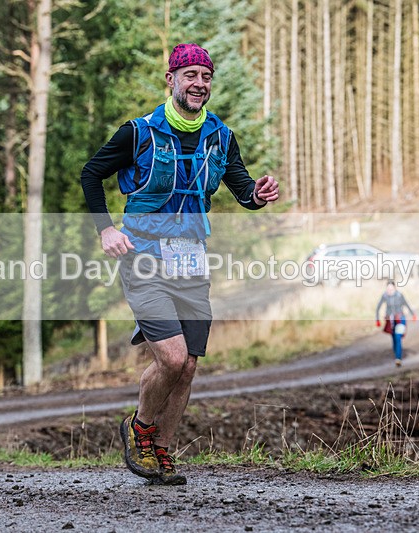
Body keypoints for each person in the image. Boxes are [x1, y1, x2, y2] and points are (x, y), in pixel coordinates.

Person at [80, 43, 279, 485]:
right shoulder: (138, 132)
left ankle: (162, 453)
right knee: (170, 359)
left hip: (191, 260)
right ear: (171, 80)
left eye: (206, 77)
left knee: (189, 365)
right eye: (190, 75)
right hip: (143, 258)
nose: (199, 84)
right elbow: (91, 174)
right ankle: (140, 429)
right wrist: (106, 229)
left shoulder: (220, 137)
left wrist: (257, 196)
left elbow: (241, 187)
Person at [375, 280, 416, 366]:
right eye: (388, 289)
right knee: (393, 338)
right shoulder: (384, 296)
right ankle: (396, 353)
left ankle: (398, 358)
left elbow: (406, 304)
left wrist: (413, 314)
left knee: (398, 337)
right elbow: (378, 307)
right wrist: (377, 319)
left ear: (394, 288)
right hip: (390, 320)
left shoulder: (399, 295)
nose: (389, 290)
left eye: (391, 288)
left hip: (400, 319)